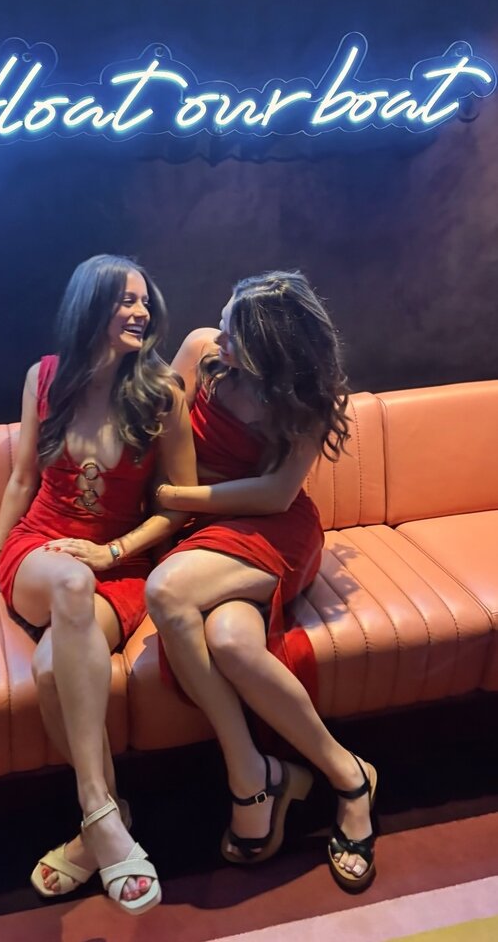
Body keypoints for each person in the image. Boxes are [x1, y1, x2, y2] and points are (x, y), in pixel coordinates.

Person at [0, 254, 195, 915]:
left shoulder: (162, 393)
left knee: (53, 669)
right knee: (71, 584)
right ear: (91, 305)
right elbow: (23, 477)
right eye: (125, 300)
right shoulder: (44, 377)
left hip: (117, 566)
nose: (141, 311)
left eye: (144, 301)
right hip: (40, 552)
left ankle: (101, 825)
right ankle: (101, 809)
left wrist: (113, 551)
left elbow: (179, 505)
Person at [146, 270, 378, 894]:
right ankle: (348, 775)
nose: (219, 337)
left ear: (272, 350)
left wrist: (177, 497)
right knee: (230, 640)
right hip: (201, 531)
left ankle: (248, 777)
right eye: (224, 323)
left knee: (166, 591)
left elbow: (277, 495)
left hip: (273, 530)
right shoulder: (200, 351)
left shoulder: (304, 397)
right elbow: (161, 430)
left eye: (235, 334)